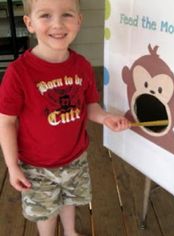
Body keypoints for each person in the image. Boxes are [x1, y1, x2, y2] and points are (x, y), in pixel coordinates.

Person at [0, 0, 130, 235]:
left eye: (67, 14)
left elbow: (90, 106)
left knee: (69, 200)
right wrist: (11, 165)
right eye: (46, 15)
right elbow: (6, 122)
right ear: (29, 23)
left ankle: (70, 232)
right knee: (46, 212)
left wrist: (105, 118)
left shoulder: (82, 65)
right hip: (36, 166)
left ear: (79, 20)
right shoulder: (18, 73)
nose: (58, 24)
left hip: (75, 158)